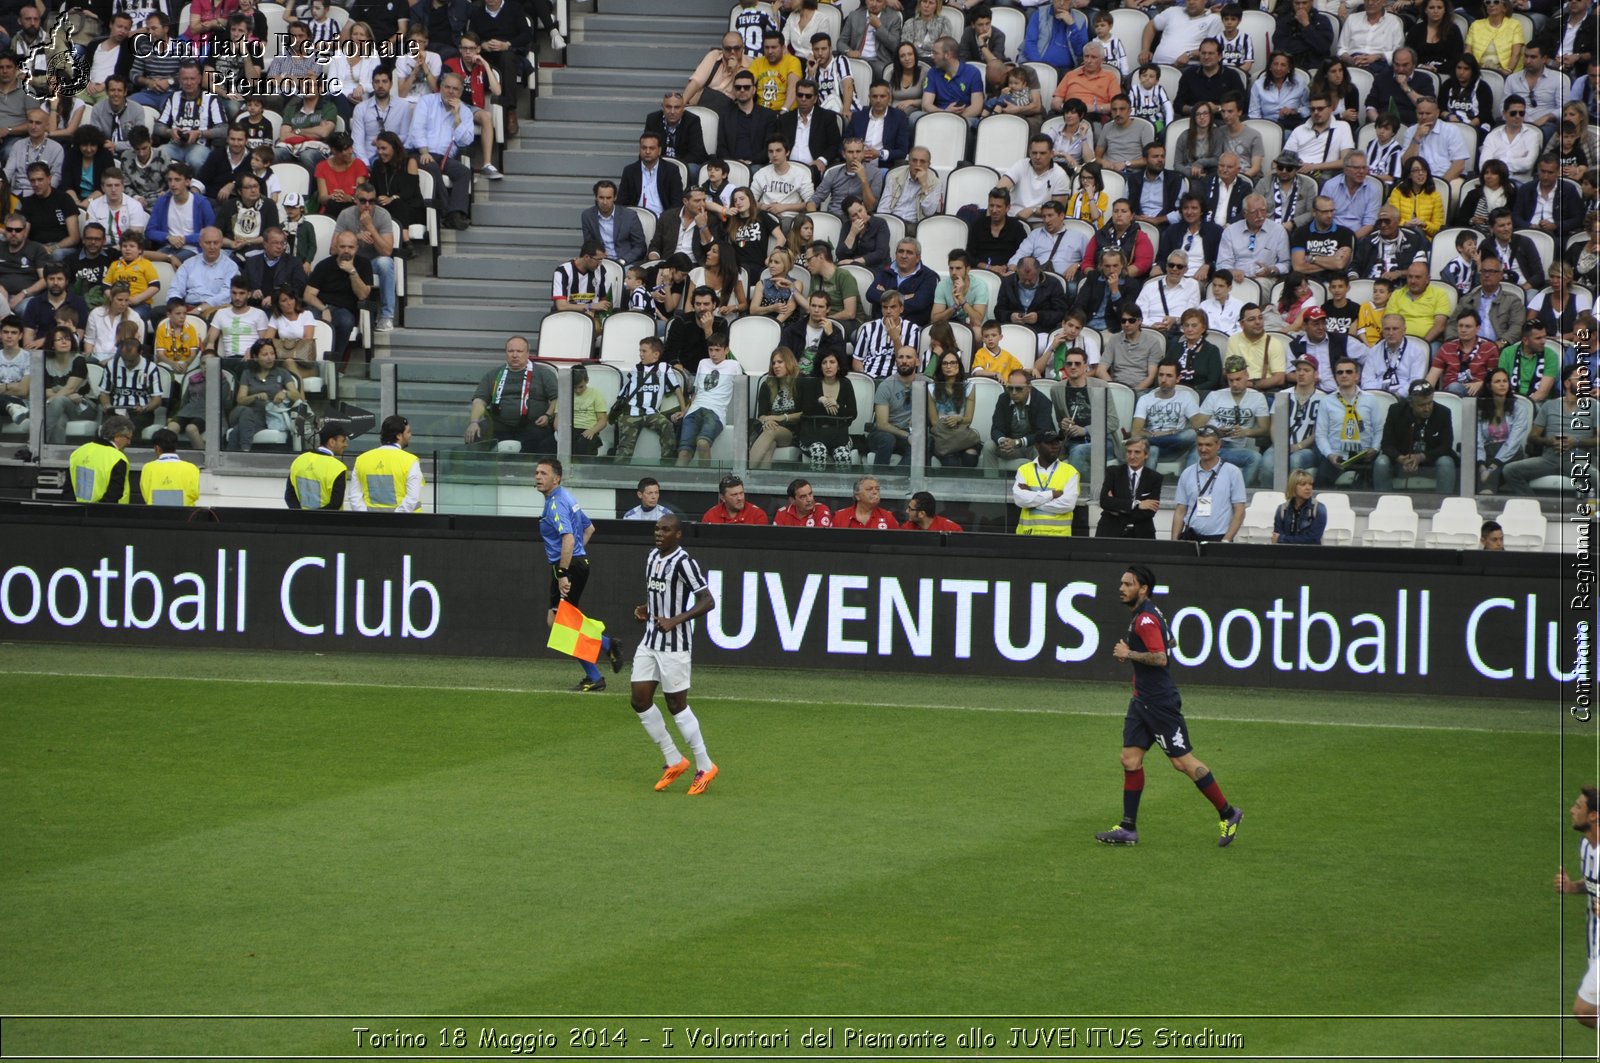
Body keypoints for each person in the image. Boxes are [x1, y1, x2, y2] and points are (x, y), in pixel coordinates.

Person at [1096, 563, 1243, 848]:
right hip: (1141, 701)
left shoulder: (1146, 619)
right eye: (1122, 584)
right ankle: (1128, 828)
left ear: (1143, 589)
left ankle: (1229, 812)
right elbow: (1171, 640)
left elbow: (1161, 657)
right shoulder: (1149, 613)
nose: (1121, 588)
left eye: (1128, 584)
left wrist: (1130, 653)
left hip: (1158, 702)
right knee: (1130, 759)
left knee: (1182, 762)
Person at [628, 512, 718, 795]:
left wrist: (675, 620)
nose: (659, 533)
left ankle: (705, 765)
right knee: (639, 700)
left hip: (675, 645)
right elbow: (659, 594)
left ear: (677, 535)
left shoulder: (685, 562)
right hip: (651, 639)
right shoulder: (652, 557)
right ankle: (673, 759)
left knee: (676, 706)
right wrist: (647, 609)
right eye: (657, 529)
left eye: (665, 530)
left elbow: (708, 600)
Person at [534, 457, 625, 693]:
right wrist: (578, 557)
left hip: (567, 567)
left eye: (544, 473)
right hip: (576, 563)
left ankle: (601, 660)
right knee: (562, 620)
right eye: (537, 473)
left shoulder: (556, 503)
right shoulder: (567, 498)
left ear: (557, 478)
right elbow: (589, 528)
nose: (538, 477)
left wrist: (564, 571)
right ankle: (603, 655)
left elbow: (569, 537)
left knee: (561, 622)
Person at [1500, 364, 1594, 493]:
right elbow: (1532, 437)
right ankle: (1533, 505)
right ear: (1567, 383)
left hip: (1577, 460)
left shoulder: (1594, 406)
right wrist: (1550, 441)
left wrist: (1575, 442)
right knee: (1510, 471)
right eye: (1581, 379)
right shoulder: (1550, 405)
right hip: (1549, 458)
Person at [464, 336, 558, 453]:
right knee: (475, 434)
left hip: (533, 424)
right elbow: (479, 401)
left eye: (519, 351)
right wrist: (474, 422)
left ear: (528, 353)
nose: (514, 355)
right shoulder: (493, 374)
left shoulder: (543, 373)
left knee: (543, 440)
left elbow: (557, 399)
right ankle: (480, 470)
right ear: (506, 353)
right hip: (499, 424)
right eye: (511, 351)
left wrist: (548, 415)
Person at [1555, 786, 1600, 1027]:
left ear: (1594, 816)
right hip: (1594, 944)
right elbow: (1594, 884)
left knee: (1584, 1010)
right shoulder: (1586, 846)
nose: (1572, 810)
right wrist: (1573, 887)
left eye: (1578, 807)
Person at [1375, 379, 1457, 493]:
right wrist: (1400, 458)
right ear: (1411, 403)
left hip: (1430, 462)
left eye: (1430, 402)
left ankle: (1443, 505)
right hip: (1401, 462)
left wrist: (1421, 457)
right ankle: (1383, 502)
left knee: (1446, 462)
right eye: (1422, 405)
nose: (1427, 408)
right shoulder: (1395, 411)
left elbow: (1446, 446)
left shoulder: (1443, 413)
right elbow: (1386, 444)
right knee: (1381, 462)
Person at [676, 330, 743, 466]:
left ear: (726, 350)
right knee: (683, 453)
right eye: (711, 349)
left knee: (702, 443)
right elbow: (697, 392)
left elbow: (741, 393)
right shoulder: (703, 362)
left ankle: (705, 481)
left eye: (717, 350)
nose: (713, 354)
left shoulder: (734, 365)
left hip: (715, 412)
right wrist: (685, 411)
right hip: (694, 410)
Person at [1171, 425, 1247, 542]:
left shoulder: (1232, 472)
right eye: (1200, 444)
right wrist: (1174, 541)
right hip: (1191, 537)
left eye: (1208, 445)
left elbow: (1239, 510)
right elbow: (1181, 510)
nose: (1203, 449)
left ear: (1218, 445)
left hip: (1220, 539)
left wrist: (1227, 539)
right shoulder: (1187, 473)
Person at [1009, 429, 1078, 536]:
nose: (1055, 446)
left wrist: (1032, 502)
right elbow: (1020, 499)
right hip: (1027, 536)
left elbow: (1067, 504)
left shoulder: (1070, 472)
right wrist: (1052, 494)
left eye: (1057, 442)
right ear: (1037, 446)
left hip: (1059, 538)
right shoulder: (1024, 470)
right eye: (1049, 443)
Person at [351, 414, 423, 513]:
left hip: (371, 524)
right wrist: (393, 520)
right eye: (408, 432)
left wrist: (366, 518)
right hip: (406, 524)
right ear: (399, 435)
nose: (410, 435)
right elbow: (412, 498)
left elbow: (354, 497)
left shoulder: (362, 460)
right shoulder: (410, 461)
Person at [1096, 437, 1162, 539]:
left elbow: (1150, 511)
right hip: (1110, 532)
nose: (1132, 456)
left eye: (1137, 452)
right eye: (1129, 452)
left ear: (1146, 455)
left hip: (1142, 534)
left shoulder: (1154, 478)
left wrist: (1117, 508)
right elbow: (1104, 501)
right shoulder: (1113, 472)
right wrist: (1136, 504)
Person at [68, 413, 134, 503]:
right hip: (108, 514)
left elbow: (69, 488)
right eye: (128, 438)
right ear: (118, 436)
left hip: (78, 512)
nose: (129, 442)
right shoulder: (118, 458)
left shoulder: (78, 452)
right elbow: (114, 493)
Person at [285, 422, 351, 509]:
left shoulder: (299, 460)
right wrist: (316, 518)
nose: (346, 444)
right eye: (343, 441)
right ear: (332, 442)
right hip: (327, 521)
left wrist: (301, 516)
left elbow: (289, 497)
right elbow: (335, 504)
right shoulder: (338, 468)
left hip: (301, 520)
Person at [1272, 468, 1325, 544]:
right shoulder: (1282, 509)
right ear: (1293, 487)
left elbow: (1313, 539)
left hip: (1310, 554)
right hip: (1286, 553)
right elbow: (1276, 538)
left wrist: (1283, 539)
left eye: (1310, 484)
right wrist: (1280, 539)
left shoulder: (1319, 509)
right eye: (1303, 484)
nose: (1308, 488)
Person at [702, 472, 769, 525]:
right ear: (722, 497)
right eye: (734, 495)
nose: (740, 498)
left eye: (741, 493)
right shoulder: (710, 516)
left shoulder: (757, 515)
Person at [836, 474, 900, 528]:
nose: (875, 492)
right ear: (857, 496)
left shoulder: (888, 517)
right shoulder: (840, 517)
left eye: (877, 489)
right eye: (869, 489)